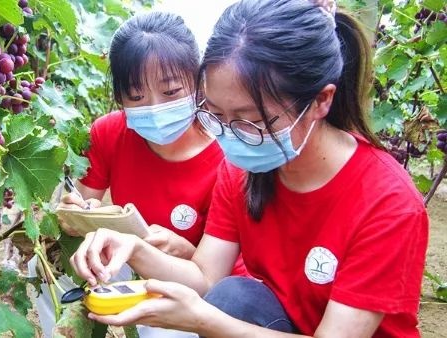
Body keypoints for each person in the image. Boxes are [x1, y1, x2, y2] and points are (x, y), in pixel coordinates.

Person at [69, 0, 429, 337]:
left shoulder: (388, 203)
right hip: (278, 323)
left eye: (250, 120)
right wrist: (134, 247)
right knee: (233, 297)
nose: (228, 136)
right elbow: (205, 277)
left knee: (231, 305)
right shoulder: (242, 170)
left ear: (321, 100)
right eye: (216, 115)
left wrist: (205, 319)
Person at [33, 10, 247, 338]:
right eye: (136, 96)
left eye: (171, 92)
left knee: (161, 330)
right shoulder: (109, 133)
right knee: (46, 270)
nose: (154, 107)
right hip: (125, 264)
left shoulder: (228, 159)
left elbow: (215, 276)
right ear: (119, 97)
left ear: (198, 84)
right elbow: (81, 205)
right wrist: (75, 211)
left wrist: (186, 251)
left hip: (189, 280)